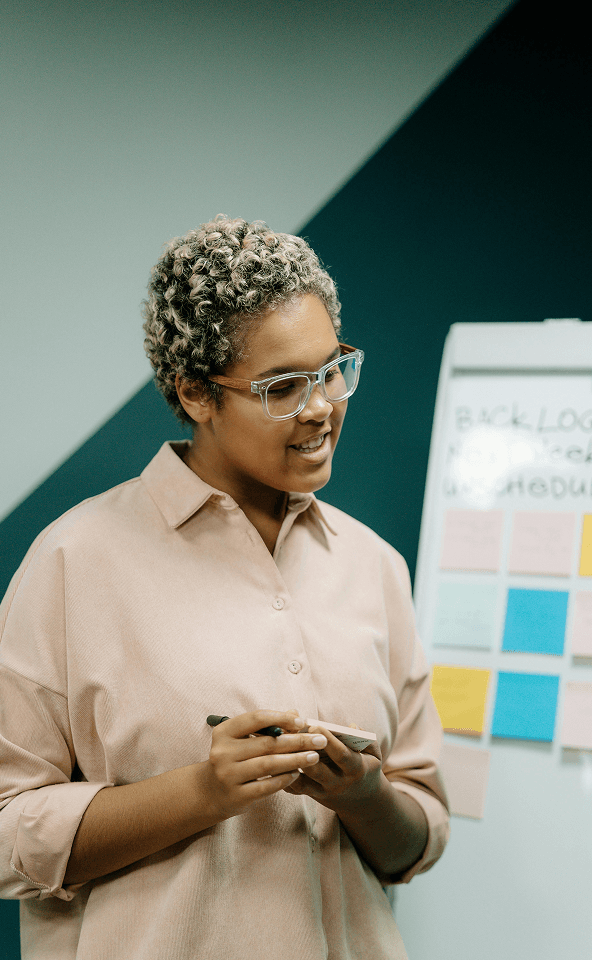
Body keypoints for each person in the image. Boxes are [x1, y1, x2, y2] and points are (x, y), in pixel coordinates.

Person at [0, 215, 449, 960]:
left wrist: (363, 797)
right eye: (281, 387)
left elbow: (417, 841)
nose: (320, 407)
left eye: (332, 369)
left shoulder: (373, 567)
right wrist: (202, 793)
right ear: (196, 394)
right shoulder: (73, 562)